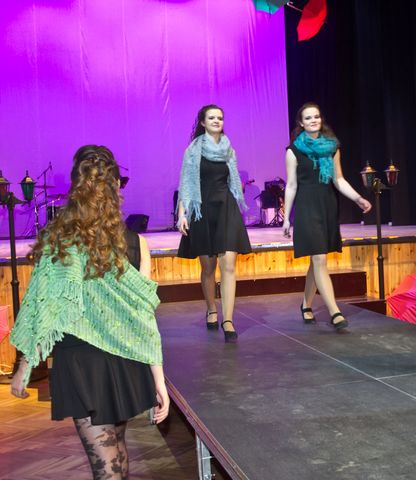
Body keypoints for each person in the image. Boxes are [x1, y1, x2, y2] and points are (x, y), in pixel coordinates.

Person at [10, 145, 169, 479]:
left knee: (108, 464)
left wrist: (26, 364)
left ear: (75, 187)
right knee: (117, 455)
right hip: (125, 361)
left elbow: (45, 307)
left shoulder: (59, 241)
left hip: (81, 364)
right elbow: (143, 319)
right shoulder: (135, 242)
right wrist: (159, 379)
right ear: (116, 185)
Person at [282, 102, 371, 330]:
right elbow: (291, 185)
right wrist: (286, 218)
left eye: (316, 117)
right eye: (308, 118)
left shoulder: (332, 147)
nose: (313, 121)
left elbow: (338, 179)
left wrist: (358, 198)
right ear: (301, 123)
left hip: (327, 205)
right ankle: (335, 312)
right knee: (319, 259)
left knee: (317, 258)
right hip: (306, 207)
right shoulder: (293, 151)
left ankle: (306, 304)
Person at [176, 104, 252, 342]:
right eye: (211, 118)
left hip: (226, 206)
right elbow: (185, 183)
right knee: (208, 268)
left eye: (220, 117)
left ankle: (228, 320)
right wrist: (182, 214)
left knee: (228, 264)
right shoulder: (192, 151)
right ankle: (211, 309)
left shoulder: (229, 149)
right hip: (203, 209)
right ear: (202, 122)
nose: (217, 121)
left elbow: (232, 180)